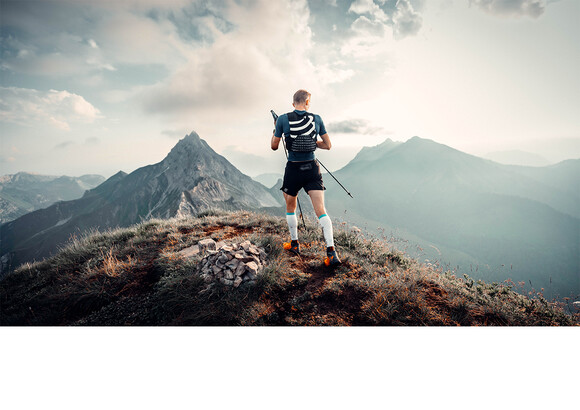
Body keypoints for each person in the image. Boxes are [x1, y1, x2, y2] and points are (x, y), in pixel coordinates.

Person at [271, 89, 341, 266]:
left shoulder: (282, 119)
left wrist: (277, 130)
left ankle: (294, 244)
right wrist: (310, 142)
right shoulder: (317, 119)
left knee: (290, 206)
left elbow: (274, 146)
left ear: (293, 103)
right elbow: (328, 145)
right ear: (308, 103)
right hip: (312, 168)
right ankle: (332, 253)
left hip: (293, 169)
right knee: (321, 210)